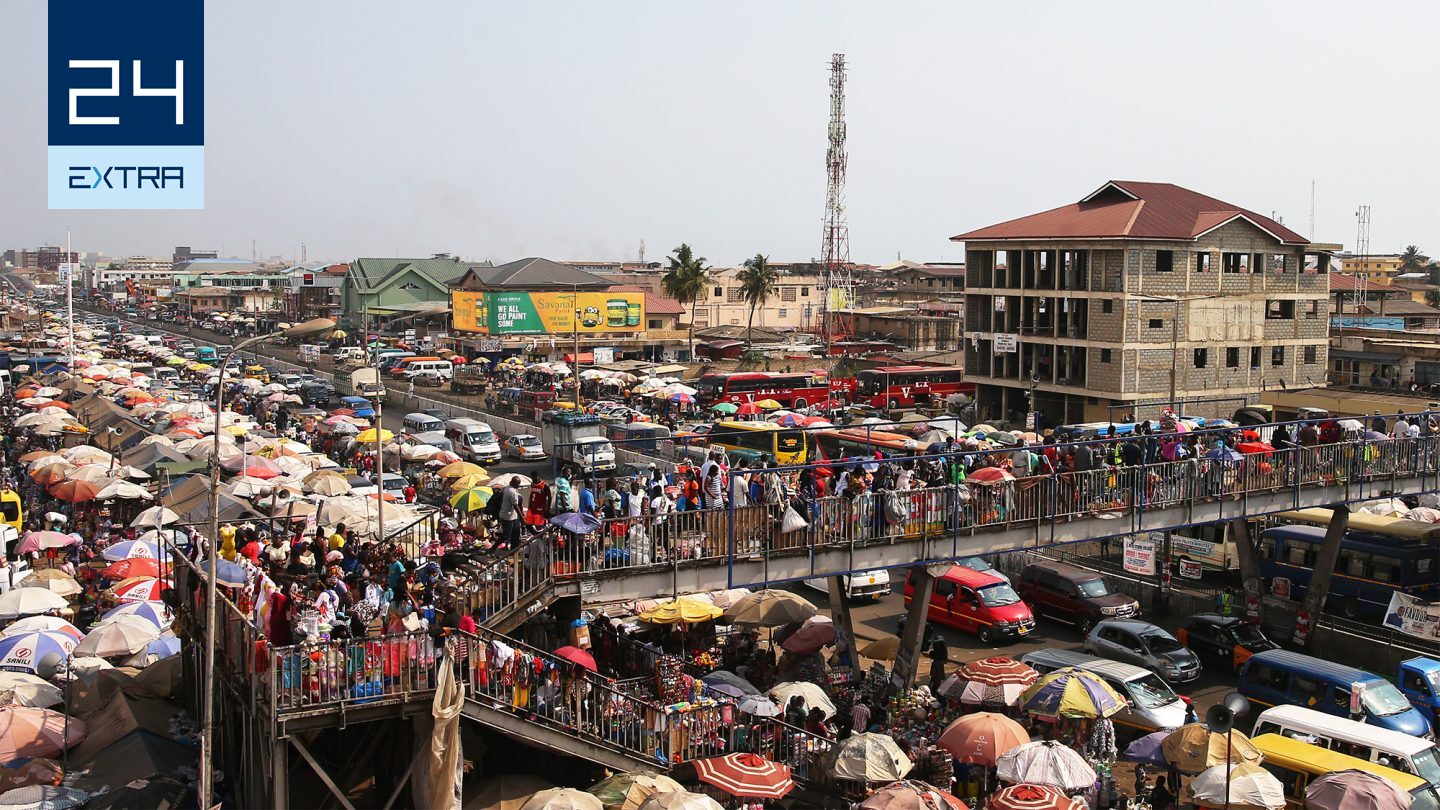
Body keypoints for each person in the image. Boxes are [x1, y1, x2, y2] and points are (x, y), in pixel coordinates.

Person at [498, 479, 523, 548]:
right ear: (514, 483)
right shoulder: (512, 492)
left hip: (512, 515)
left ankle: (514, 549)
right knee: (506, 534)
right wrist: (522, 517)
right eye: (518, 484)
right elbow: (516, 506)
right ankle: (493, 548)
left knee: (515, 533)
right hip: (508, 516)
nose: (519, 485)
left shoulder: (507, 488)